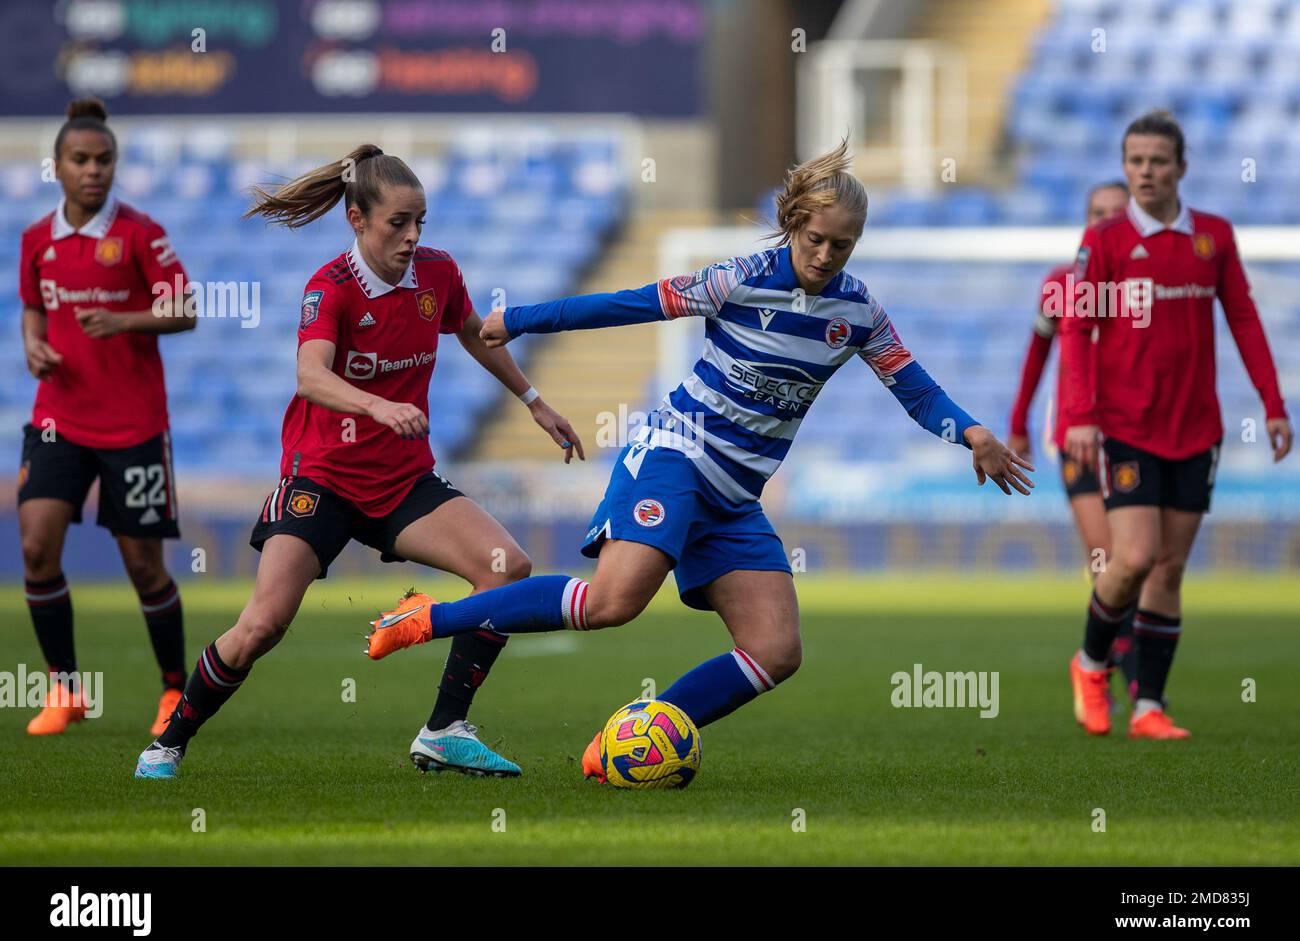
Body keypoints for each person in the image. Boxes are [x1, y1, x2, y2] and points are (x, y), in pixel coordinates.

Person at [362, 141, 1033, 779]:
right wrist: (522, 318)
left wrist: (971, 432)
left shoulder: (858, 314)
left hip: (734, 497)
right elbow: (630, 304)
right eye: (815, 239)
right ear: (794, 225)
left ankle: (635, 741)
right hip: (675, 456)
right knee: (612, 604)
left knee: (776, 650)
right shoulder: (738, 280)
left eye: (842, 245)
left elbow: (911, 384)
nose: (826, 254)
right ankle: (425, 616)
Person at [134, 145, 583, 779]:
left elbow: (473, 331)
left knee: (507, 567)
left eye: (420, 221)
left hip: (401, 480)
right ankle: (168, 743)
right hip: (324, 478)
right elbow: (310, 375)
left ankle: (443, 730)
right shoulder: (331, 289)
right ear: (356, 219)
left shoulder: (437, 273)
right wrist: (375, 407)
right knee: (262, 625)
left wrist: (534, 401)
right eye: (397, 222)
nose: (412, 236)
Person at [1062, 111, 1292, 740]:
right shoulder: (1104, 241)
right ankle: (1090, 663)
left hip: (1197, 429)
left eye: (1158, 161)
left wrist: (1273, 403)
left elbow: (1243, 318)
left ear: (1181, 168)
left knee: (1168, 569)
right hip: (1128, 424)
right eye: (1135, 160)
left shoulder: (1212, 236)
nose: (1145, 172)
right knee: (1132, 556)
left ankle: (1149, 708)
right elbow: (1078, 328)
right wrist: (1080, 414)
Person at [18, 97, 195, 736]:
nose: (93, 170)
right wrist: (33, 345)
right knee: (37, 546)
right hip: (57, 419)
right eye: (80, 160)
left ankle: (175, 690)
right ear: (58, 166)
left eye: (104, 160)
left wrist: (123, 320)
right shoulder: (37, 239)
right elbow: (35, 307)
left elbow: (186, 310)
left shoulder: (142, 235)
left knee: (143, 565)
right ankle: (65, 690)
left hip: (134, 426)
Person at [1007, 181, 1147, 705]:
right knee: (1106, 560)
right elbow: (1037, 353)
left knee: (1139, 562)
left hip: (1135, 436)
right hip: (1078, 437)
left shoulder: (1144, 286)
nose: (1107, 221)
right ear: (1086, 221)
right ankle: (1126, 679)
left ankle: (1114, 667)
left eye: (1118, 213)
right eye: (1098, 213)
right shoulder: (1061, 284)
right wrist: (1018, 421)